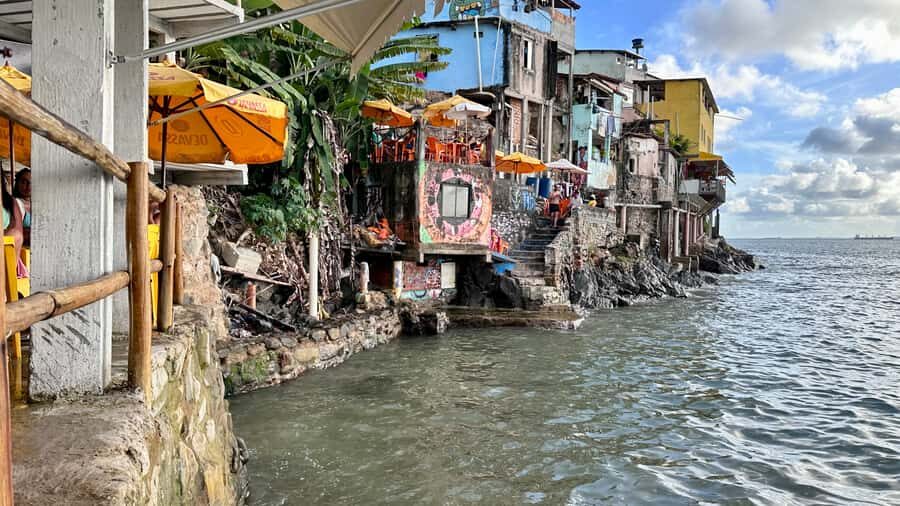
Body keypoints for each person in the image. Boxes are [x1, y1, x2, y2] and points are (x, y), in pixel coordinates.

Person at [12, 168, 31, 247]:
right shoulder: (14, 203)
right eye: (24, 182)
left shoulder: (40, 204)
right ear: (17, 183)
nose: (28, 186)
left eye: (32, 182)